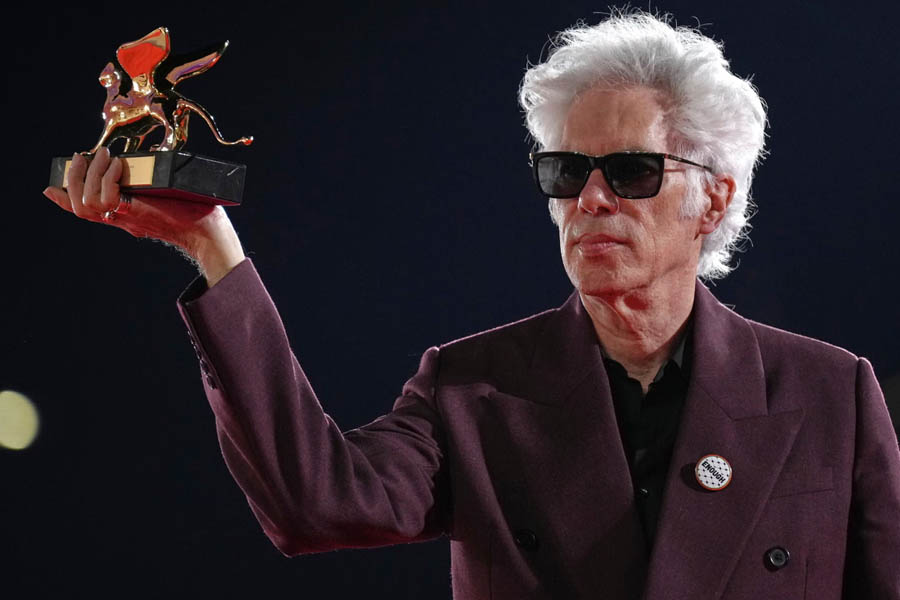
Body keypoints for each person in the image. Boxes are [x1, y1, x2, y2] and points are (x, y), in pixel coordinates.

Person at [43, 11, 900, 600]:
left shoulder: (829, 394)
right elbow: (316, 503)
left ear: (713, 200)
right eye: (567, 173)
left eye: (632, 172)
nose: (592, 200)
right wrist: (210, 245)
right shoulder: (473, 386)